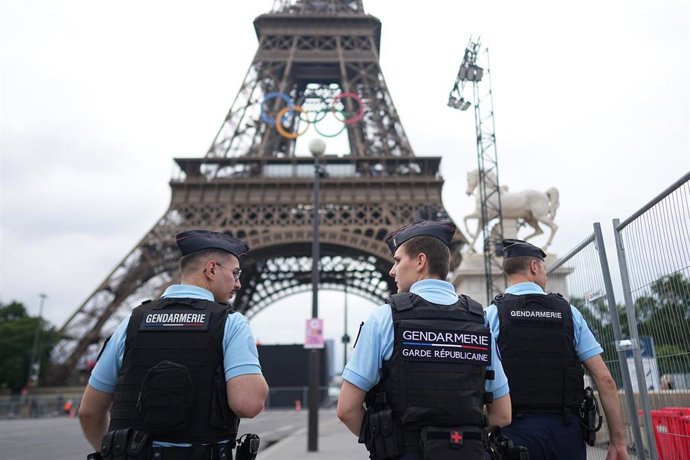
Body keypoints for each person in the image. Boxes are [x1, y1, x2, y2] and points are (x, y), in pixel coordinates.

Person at [79, 230, 268, 459]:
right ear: (211, 269)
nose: (238, 284)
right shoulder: (231, 324)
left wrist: (112, 452)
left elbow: (89, 412)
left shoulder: (132, 322)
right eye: (235, 273)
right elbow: (247, 404)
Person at [337, 221, 512, 460]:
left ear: (420, 261)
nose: (392, 270)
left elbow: (347, 409)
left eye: (397, 260)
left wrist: (385, 444)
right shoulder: (480, 320)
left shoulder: (384, 318)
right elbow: (502, 414)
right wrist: (459, 441)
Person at [485, 238, 628, 460]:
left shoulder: (492, 315)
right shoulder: (570, 313)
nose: (547, 274)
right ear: (534, 266)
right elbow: (605, 380)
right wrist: (618, 442)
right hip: (566, 431)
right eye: (544, 268)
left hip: (514, 432)